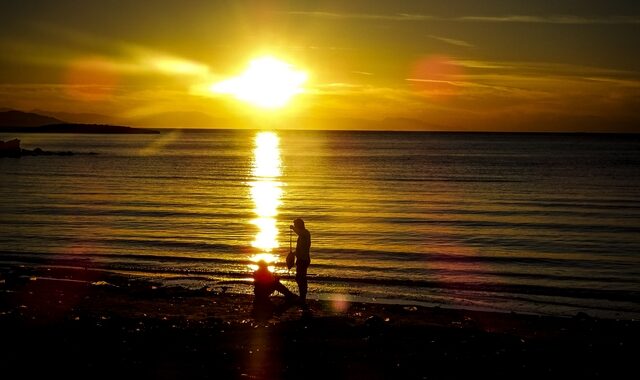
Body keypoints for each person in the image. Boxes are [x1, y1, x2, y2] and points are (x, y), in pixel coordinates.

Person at [287, 218, 311, 303]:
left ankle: (302, 297)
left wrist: (293, 228)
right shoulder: (301, 236)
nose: (295, 227)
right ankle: (302, 297)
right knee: (300, 278)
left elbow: (299, 232)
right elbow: (300, 249)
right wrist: (293, 254)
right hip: (301, 259)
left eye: (296, 225)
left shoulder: (305, 233)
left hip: (304, 260)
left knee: (301, 278)